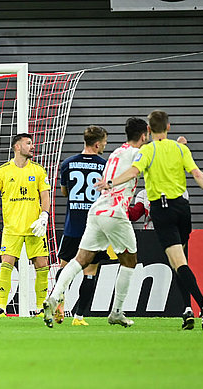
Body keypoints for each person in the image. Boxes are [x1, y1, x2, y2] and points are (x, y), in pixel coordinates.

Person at [98, 110, 203, 330]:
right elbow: (197, 175)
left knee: (178, 262)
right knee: (180, 260)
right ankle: (187, 310)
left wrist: (111, 182)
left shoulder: (148, 150)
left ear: (149, 129)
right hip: (182, 208)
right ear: (168, 127)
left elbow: (132, 171)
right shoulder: (180, 148)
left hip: (162, 208)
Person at [43, 117, 149, 328]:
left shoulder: (116, 153)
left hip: (96, 211)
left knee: (80, 259)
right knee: (129, 262)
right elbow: (136, 170)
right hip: (115, 212)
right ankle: (116, 311)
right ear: (144, 135)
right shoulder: (138, 153)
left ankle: (54, 298)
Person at [0, 133, 51, 317]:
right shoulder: (3, 171)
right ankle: (1, 308)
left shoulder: (39, 171)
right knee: (6, 264)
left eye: (32, 143)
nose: (33, 146)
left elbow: (45, 195)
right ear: (17, 147)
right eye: (28, 143)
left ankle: (41, 308)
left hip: (34, 227)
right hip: (12, 228)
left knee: (42, 264)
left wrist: (44, 216)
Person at [55, 125, 108, 326]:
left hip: (72, 226)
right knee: (90, 271)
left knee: (65, 267)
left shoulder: (68, 163)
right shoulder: (105, 165)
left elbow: (64, 192)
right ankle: (78, 317)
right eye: (104, 142)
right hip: (95, 227)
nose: (105, 145)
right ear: (96, 143)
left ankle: (59, 304)